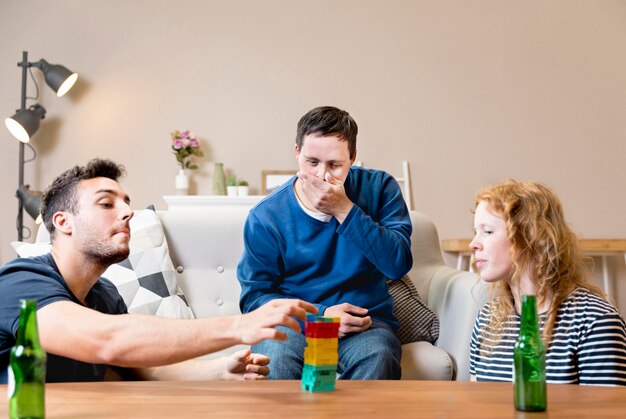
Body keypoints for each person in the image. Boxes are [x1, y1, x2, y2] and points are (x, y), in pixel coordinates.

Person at [0, 159, 317, 384]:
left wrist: (219, 370)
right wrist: (239, 326)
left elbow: (139, 369)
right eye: (107, 204)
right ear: (63, 222)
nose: (127, 212)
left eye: (126, 202)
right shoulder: (21, 281)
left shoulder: (105, 296)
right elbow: (109, 341)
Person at [237, 106, 412, 379]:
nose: (322, 175)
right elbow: (254, 298)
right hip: (295, 324)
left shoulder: (380, 189)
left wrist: (345, 210)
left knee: (378, 356)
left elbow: (398, 264)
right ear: (297, 152)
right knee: (276, 358)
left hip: (364, 323)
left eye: (335, 165)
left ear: (352, 158)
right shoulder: (266, 216)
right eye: (312, 162)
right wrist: (321, 316)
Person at [468, 179, 626, 386]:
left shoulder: (595, 322)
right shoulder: (487, 319)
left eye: (487, 231)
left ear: (530, 236)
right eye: (475, 232)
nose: (473, 244)